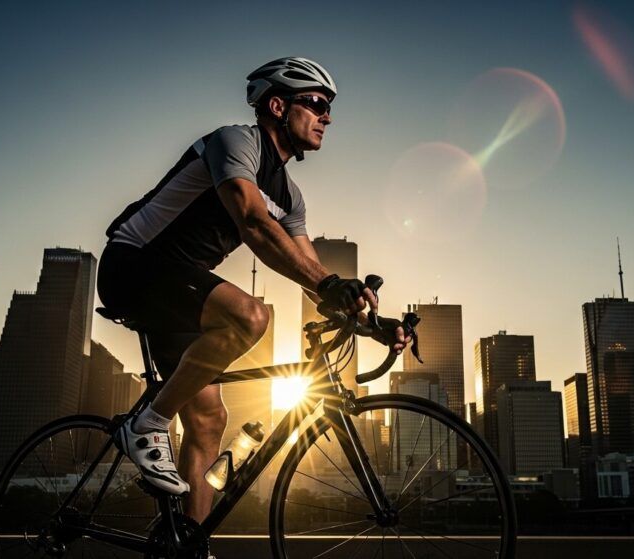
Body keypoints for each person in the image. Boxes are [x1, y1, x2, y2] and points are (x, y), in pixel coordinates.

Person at [96, 56, 411, 522]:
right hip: (135, 264)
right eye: (318, 103)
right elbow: (251, 220)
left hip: (179, 293)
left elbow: (312, 273)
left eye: (330, 107)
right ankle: (146, 427)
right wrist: (326, 282)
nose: (328, 116)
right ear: (279, 105)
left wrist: (371, 323)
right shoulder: (235, 142)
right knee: (249, 316)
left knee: (208, 424)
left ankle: (189, 546)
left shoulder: (291, 197)